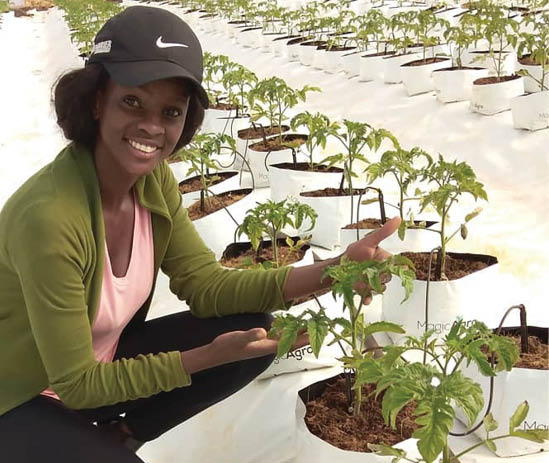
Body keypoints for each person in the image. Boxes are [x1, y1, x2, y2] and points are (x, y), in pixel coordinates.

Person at [0, 6, 400, 463]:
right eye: (133, 101)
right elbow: (78, 385)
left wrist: (334, 270)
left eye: (171, 111)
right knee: (226, 349)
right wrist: (204, 358)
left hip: (95, 365)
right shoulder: (50, 217)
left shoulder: (152, 184)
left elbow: (207, 288)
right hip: (19, 392)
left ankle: (121, 436)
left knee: (250, 334)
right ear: (96, 100)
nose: (152, 126)